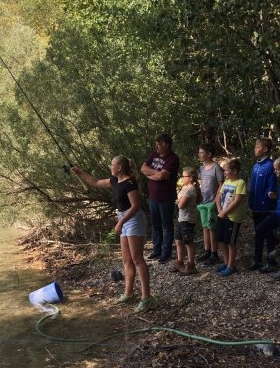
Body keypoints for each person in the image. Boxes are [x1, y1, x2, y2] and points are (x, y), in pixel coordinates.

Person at [72, 156, 156, 313]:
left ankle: (147, 298)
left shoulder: (130, 183)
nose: (110, 167)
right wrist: (80, 172)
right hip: (124, 219)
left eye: (112, 165)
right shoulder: (114, 181)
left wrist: (120, 222)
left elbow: (136, 206)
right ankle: (129, 294)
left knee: (137, 259)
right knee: (127, 260)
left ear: (119, 168)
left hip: (133, 219)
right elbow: (95, 182)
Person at [141, 133, 180, 264]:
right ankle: (157, 250)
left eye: (159, 144)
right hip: (153, 196)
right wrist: (155, 174)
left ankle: (166, 252)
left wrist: (152, 174)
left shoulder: (173, 158)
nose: (156, 146)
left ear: (166, 145)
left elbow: (162, 176)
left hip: (166, 197)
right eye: (156, 144)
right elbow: (143, 168)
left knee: (167, 225)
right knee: (156, 225)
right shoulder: (153, 155)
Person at [255, 157, 280, 279]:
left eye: (277, 169)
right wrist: (275, 196)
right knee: (260, 228)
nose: (275, 171)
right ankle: (279, 246)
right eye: (274, 169)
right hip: (278, 213)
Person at [247, 137, 278, 272]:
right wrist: (250, 201)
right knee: (258, 233)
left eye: (258, 147)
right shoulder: (256, 166)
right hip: (255, 206)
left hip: (266, 207)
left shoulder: (271, 165)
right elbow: (252, 186)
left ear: (265, 149)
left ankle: (271, 262)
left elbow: (271, 186)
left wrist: (267, 199)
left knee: (268, 234)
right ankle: (257, 260)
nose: (255, 149)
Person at [215, 159, 247, 277]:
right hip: (222, 215)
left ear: (234, 171)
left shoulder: (240, 183)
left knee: (230, 241)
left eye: (226, 170)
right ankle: (226, 261)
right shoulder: (226, 181)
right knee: (220, 240)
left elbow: (237, 200)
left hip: (232, 217)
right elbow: (218, 197)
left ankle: (231, 266)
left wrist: (225, 212)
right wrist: (220, 210)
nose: (224, 172)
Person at [197, 143, 224, 266]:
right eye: (199, 152)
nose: (199, 155)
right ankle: (207, 251)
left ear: (209, 154)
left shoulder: (216, 167)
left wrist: (216, 200)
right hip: (203, 202)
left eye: (202, 152)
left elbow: (221, 185)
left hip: (212, 202)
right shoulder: (202, 168)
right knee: (205, 227)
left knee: (212, 228)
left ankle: (214, 253)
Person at [170, 167, 198, 275]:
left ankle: (191, 265)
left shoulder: (190, 189)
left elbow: (181, 205)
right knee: (178, 240)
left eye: (184, 176)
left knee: (188, 242)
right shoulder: (185, 187)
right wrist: (179, 201)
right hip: (181, 218)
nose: (182, 178)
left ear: (190, 178)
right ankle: (180, 262)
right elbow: (180, 200)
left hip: (187, 218)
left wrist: (178, 201)